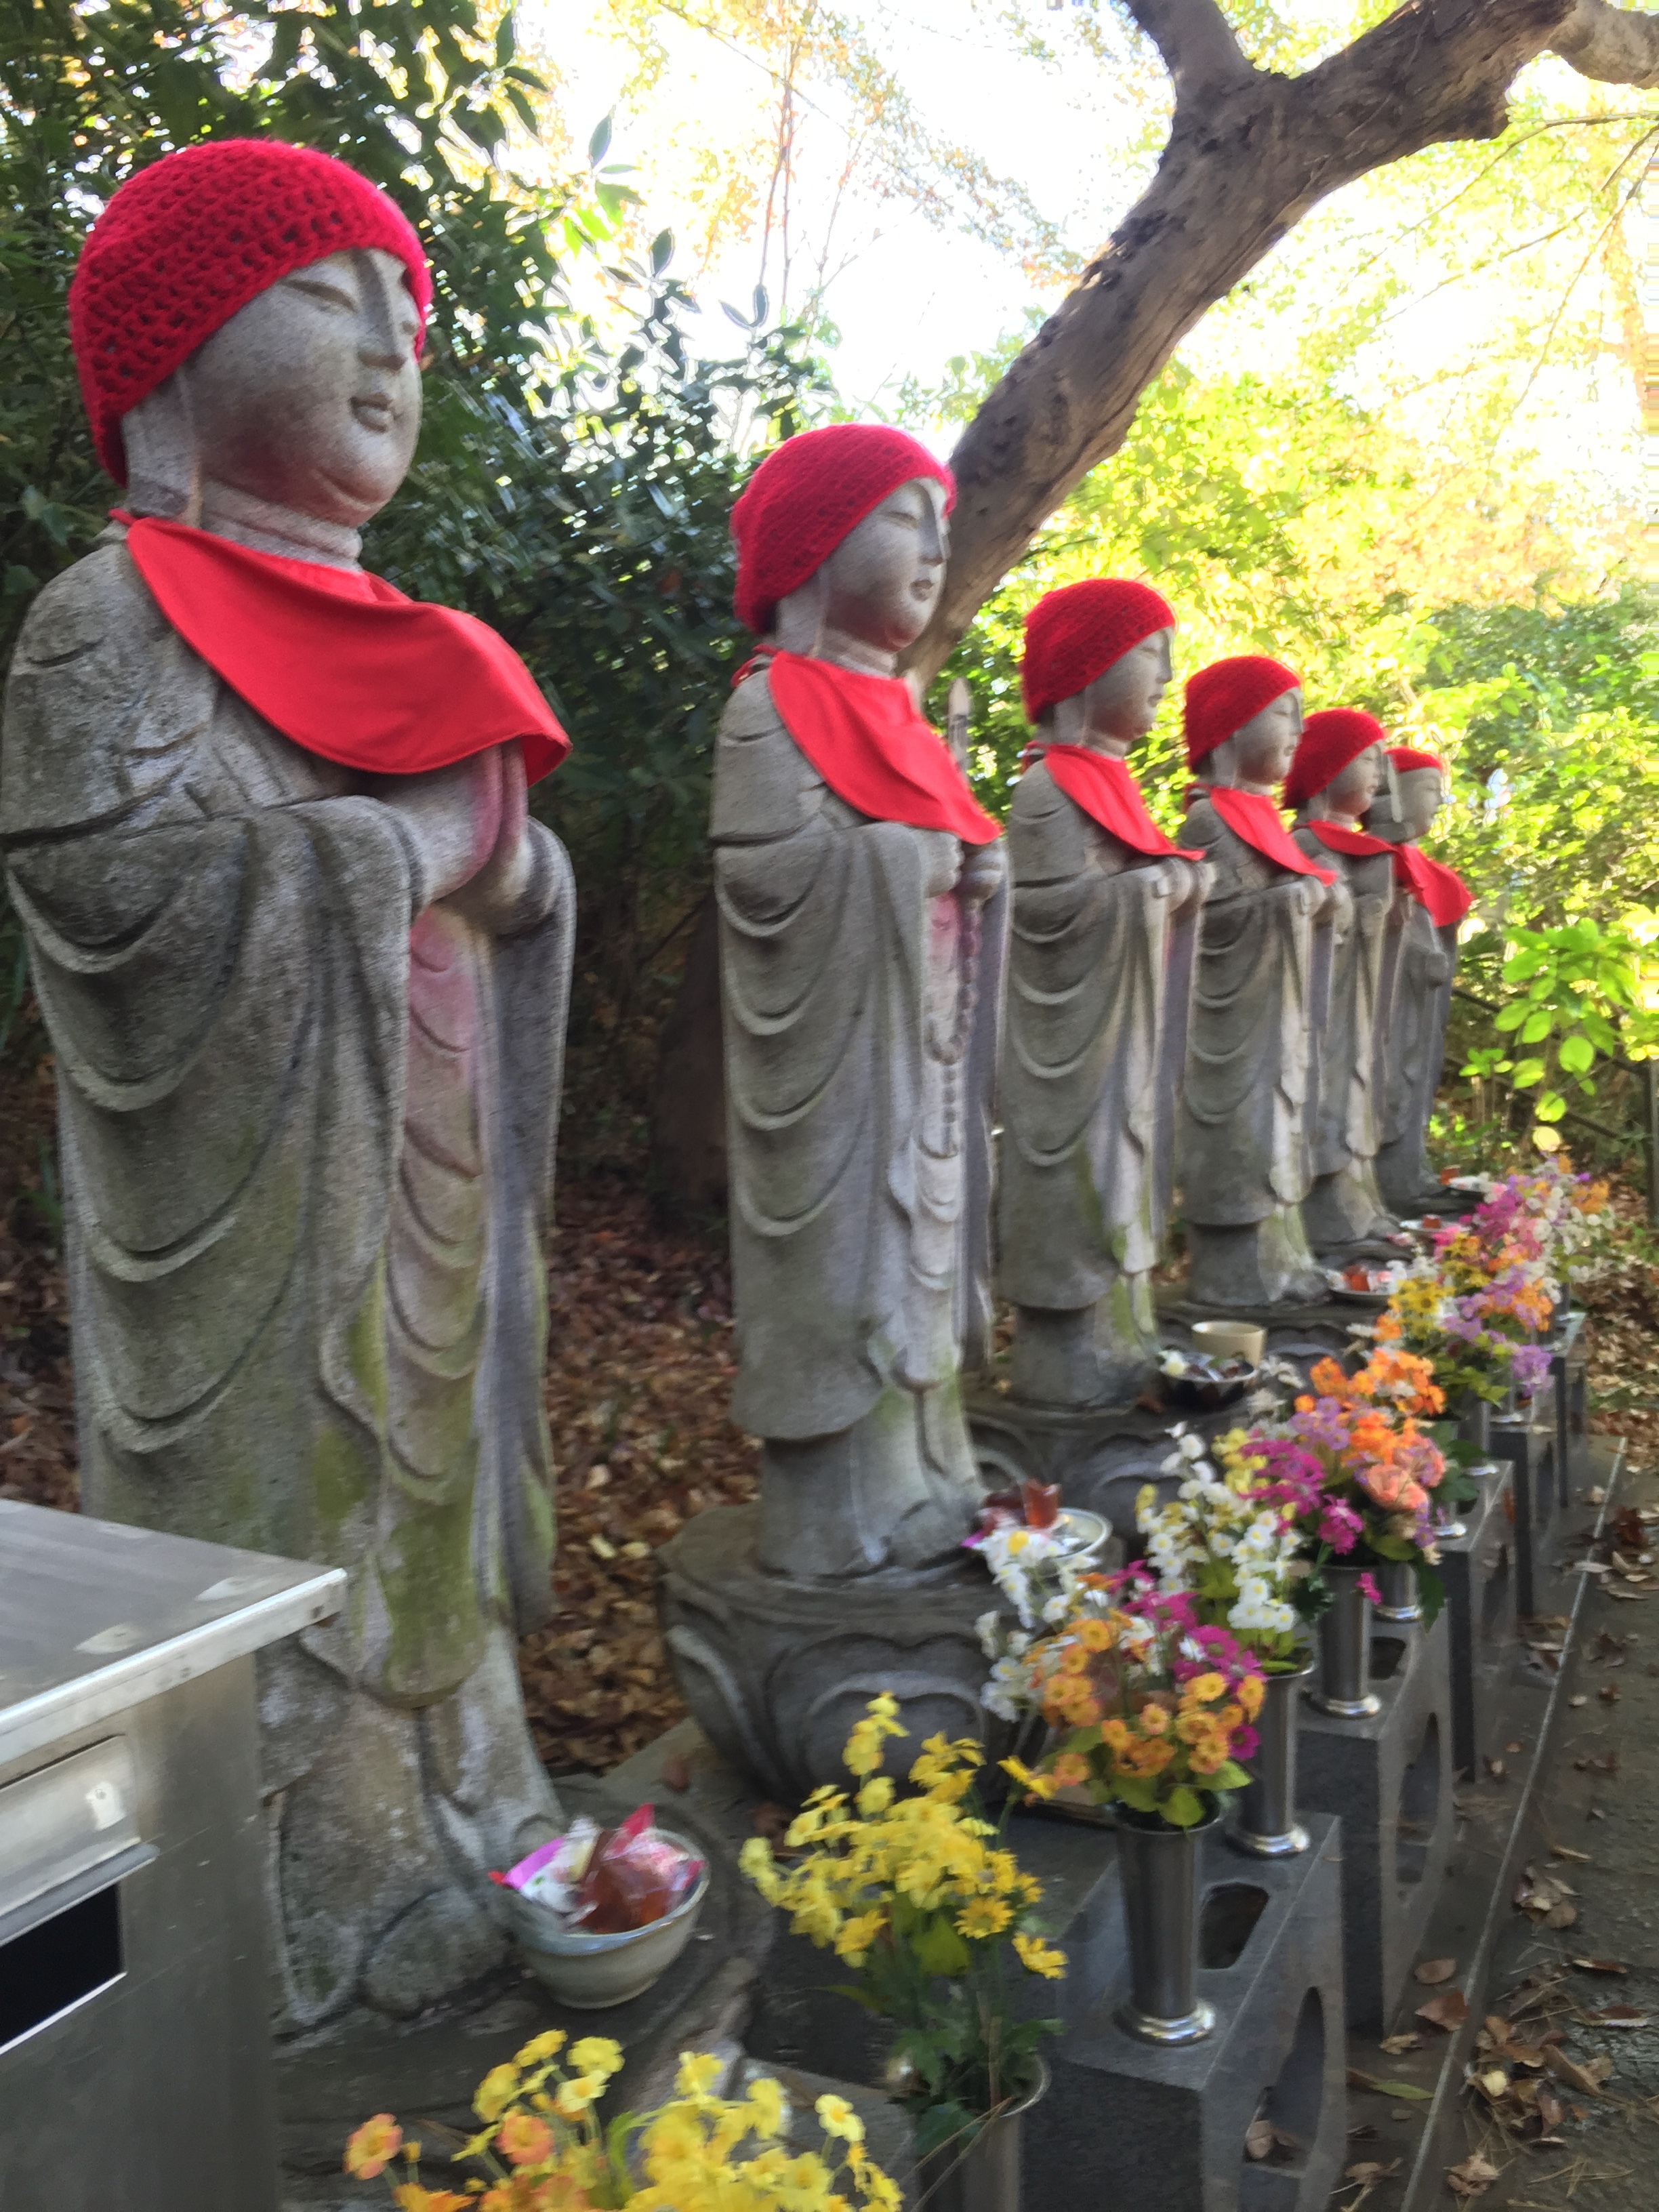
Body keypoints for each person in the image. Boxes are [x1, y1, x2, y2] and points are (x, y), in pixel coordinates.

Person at [1, 140, 575, 2027]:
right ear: (175, 353)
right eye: (334, 300)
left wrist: (509, 870)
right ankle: (335, 1856)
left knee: (432, 1456)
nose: (393, 351)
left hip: (427, 1146)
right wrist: (403, 850)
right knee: (299, 1494)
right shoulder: (112, 616)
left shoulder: (411, 641)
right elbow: (116, 908)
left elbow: (495, 880)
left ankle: (478, 1777)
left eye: (410, 315)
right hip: (254, 1213)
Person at [711, 424, 1006, 1578]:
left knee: (921, 1266)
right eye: (900, 520)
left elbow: (948, 854)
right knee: (849, 1280)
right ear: (814, 545)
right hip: (834, 1085)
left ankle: (931, 1466)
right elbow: (763, 880)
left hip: (919, 1068)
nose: (933, 552)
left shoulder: (908, 721)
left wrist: (978, 871)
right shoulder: (769, 706)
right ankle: (842, 1506)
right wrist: (905, 861)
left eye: (942, 528)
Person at [998, 577, 1208, 1403]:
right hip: (1066, 1050)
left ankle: (1124, 1333)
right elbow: (1042, 913)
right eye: (1151, 654)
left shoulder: (1115, 787)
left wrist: (1171, 889)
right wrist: (1147, 892)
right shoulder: (1046, 788)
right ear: (1088, 665)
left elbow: (1139, 878)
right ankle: (1067, 1360)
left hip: (1123, 1047)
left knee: (1123, 1181)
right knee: (1076, 1192)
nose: (1166, 677)